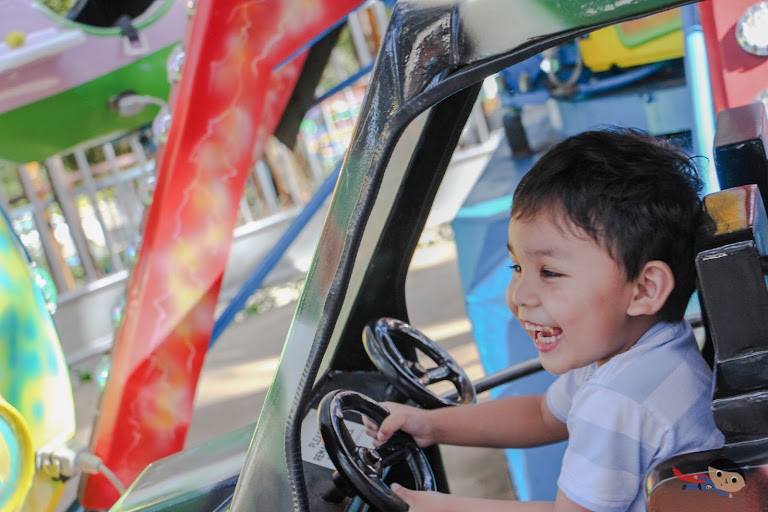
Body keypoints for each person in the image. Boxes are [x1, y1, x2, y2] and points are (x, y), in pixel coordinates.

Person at [364, 128, 725, 512]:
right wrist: (431, 425)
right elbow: (543, 415)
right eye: (517, 266)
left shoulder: (618, 400)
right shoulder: (650, 346)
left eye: (549, 272)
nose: (519, 296)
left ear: (644, 290)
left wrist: (431, 507)